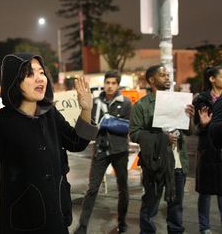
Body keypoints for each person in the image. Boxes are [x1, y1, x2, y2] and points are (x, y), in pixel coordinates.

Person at [0, 53, 98, 234]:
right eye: (30, 74)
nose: (40, 78)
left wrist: (86, 109)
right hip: (21, 221)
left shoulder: (50, 114)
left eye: (41, 72)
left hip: (57, 216)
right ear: (15, 81)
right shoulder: (2, 119)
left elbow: (77, 142)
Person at [129, 65, 194, 234]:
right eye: (163, 75)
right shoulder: (141, 105)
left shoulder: (180, 101)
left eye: (168, 75)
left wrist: (191, 118)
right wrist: (162, 138)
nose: (167, 78)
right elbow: (134, 134)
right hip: (154, 164)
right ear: (151, 80)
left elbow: (189, 131)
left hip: (178, 164)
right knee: (150, 206)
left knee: (176, 206)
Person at [75, 71, 131, 234]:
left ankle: (122, 222)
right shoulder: (96, 101)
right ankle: (83, 226)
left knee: (123, 189)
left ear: (118, 85)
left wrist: (108, 123)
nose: (110, 86)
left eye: (114, 83)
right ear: (104, 83)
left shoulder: (125, 102)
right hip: (100, 149)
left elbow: (128, 127)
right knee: (92, 189)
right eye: (108, 82)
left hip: (120, 150)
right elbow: (90, 122)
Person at [193, 66, 222, 234]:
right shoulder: (201, 99)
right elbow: (197, 126)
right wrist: (203, 125)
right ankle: (205, 227)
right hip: (207, 149)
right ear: (212, 79)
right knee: (204, 191)